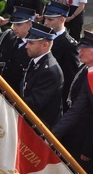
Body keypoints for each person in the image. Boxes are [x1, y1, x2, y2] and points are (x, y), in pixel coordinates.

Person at [51, 30, 93, 172]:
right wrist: (53, 134)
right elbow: (77, 107)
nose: (79, 53)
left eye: (84, 50)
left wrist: (88, 149)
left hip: (86, 142)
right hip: (76, 133)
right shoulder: (85, 68)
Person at [21, 22, 63, 128]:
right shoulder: (35, 61)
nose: (26, 46)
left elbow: (35, 103)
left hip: (40, 126)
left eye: (31, 43)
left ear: (45, 45)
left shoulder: (49, 70)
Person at [0, 6, 35, 93]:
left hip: (16, 96)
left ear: (30, 24)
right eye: (14, 24)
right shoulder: (8, 36)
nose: (14, 28)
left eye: (19, 24)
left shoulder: (36, 45)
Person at [43, 1, 80, 112]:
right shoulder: (44, 37)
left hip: (55, 101)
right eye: (45, 19)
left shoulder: (69, 45)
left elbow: (70, 80)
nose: (45, 23)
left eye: (50, 20)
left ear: (62, 20)